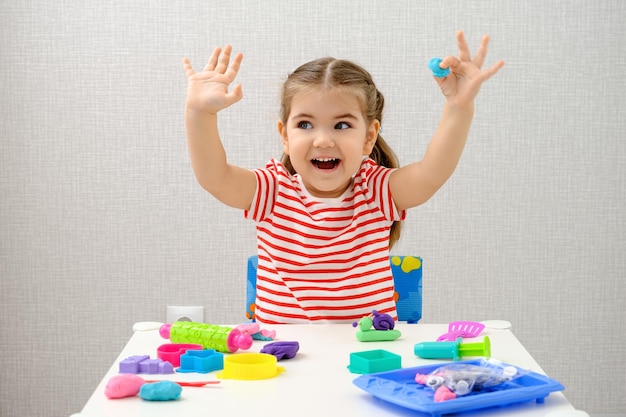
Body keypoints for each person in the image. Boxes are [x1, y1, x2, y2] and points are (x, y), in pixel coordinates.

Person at [183, 30, 504, 324]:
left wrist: (459, 107)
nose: (322, 140)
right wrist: (200, 113)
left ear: (369, 136)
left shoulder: (376, 191)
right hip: (284, 361)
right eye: (305, 125)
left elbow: (432, 173)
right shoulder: (273, 191)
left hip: (367, 356)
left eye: (341, 125)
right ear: (284, 135)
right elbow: (215, 176)